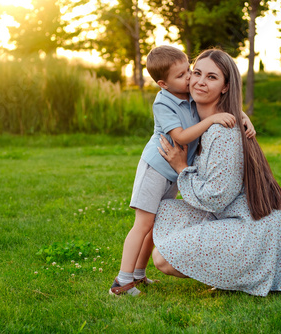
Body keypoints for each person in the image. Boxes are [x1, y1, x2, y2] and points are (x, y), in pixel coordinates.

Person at [152, 48, 281, 297]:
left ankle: (239, 275)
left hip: (253, 232)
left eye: (212, 77)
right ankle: (226, 271)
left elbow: (217, 197)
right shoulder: (204, 118)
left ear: (225, 87)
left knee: (163, 258)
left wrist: (181, 168)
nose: (201, 81)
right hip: (230, 216)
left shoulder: (223, 132)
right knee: (161, 212)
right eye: (197, 73)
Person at [109, 45, 256, 296]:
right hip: (156, 168)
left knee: (155, 223)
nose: (190, 78)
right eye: (182, 75)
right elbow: (181, 136)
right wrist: (211, 120)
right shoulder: (163, 102)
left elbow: (221, 99)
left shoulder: (187, 92)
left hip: (173, 173)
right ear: (163, 84)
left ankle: (139, 275)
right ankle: (121, 282)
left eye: (188, 70)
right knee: (142, 224)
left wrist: (242, 115)